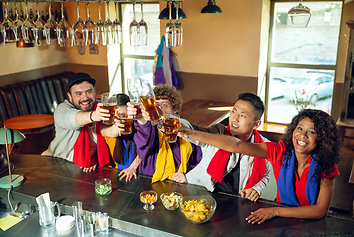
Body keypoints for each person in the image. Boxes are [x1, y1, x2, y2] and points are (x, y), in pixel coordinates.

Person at [179, 108, 341, 224]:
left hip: (309, 223)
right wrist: (190, 133)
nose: (302, 136)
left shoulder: (325, 163)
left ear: (322, 138)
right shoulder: (280, 152)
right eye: (299, 128)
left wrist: (274, 211)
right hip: (282, 222)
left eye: (311, 132)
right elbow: (236, 145)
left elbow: (320, 211)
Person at [172, 93, 272, 202]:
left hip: (237, 199)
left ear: (256, 124)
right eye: (234, 111)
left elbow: (266, 173)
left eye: (242, 115)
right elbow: (196, 131)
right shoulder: (218, 132)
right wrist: (172, 120)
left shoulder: (263, 146)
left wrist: (256, 188)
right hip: (207, 193)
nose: (235, 118)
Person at [42, 72, 121, 172]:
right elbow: (73, 118)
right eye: (78, 94)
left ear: (95, 91)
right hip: (58, 164)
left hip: (87, 168)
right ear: (69, 96)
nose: (85, 98)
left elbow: (106, 132)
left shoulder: (101, 107)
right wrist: (93, 116)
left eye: (89, 92)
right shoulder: (61, 110)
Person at [123, 84, 202, 183]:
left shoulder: (185, 129)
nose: (158, 108)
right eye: (156, 104)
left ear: (174, 110)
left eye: (164, 105)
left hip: (178, 184)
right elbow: (143, 140)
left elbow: (199, 158)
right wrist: (141, 119)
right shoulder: (150, 129)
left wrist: (188, 176)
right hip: (150, 182)